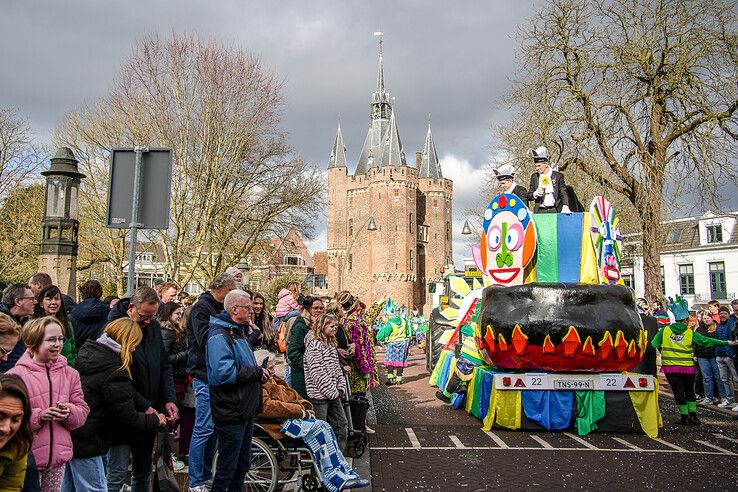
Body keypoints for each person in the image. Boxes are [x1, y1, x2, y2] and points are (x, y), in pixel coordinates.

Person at [62, 318, 165, 492]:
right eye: (133, 344)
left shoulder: (89, 354)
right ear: (125, 342)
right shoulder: (113, 370)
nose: (134, 349)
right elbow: (128, 417)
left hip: (75, 435)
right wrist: (155, 420)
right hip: (90, 440)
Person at [105, 286, 178, 492]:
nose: (147, 322)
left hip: (150, 411)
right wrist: (145, 405)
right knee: (117, 472)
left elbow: (164, 366)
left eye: (152, 317)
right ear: (130, 308)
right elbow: (118, 378)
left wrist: (169, 398)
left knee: (143, 472)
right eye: (143, 316)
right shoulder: (116, 329)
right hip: (124, 411)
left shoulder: (153, 328)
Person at [7, 317, 90, 490]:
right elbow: (8, 420)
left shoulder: (71, 374)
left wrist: (69, 411)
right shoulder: (16, 376)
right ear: (35, 341)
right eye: (51, 340)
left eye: (61, 339)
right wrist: (39, 416)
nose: (58, 344)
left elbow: (82, 412)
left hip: (58, 458)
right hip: (26, 457)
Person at [206, 290, 271, 492]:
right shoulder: (220, 336)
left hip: (244, 408)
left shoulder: (237, 332)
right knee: (228, 468)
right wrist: (256, 372)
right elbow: (223, 373)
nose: (252, 311)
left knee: (241, 465)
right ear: (234, 309)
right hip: (232, 408)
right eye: (248, 308)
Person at [651, 296, 737, 425]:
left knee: (678, 392)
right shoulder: (690, 333)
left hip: (670, 367)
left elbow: (654, 343)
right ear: (685, 321)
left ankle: (684, 416)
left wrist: (664, 351)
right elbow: (707, 341)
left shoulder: (665, 331)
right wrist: (727, 342)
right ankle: (693, 415)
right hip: (687, 367)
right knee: (689, 390)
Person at [186, 273, 236, 492]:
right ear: (221, 288)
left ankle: (205, 475)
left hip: (216, 375)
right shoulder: (201, 309)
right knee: (204, 428)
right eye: (231, 290)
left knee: (214, 428)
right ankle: (196, 480)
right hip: (204, 374)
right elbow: (204, 339)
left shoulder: (218, 309)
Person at [303, 314, 348, 451]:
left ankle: (337, 456)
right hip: (319, 396)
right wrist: (332, 391)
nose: (335, 328)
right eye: (331, 326)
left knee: (341, 424)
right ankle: (320, 462)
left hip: (333, 393)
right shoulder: (315, 346)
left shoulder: (330, 344)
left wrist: (340, 387)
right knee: (320, 430)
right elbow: (317, 372)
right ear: (322, 327)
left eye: (336, 326)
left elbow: (336, 368)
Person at [158, 302, 190, 466]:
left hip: (179, 378)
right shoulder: (167, 332)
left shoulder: (176, 331)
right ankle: (166, 457)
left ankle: (167, 456)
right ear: (169, 314)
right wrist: (186, 354)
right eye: (177, 313)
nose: (180, 316)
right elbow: (165, 359)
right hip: (174, 379)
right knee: (172, 418)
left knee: (176, 419)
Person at [0, 374, 33, 491]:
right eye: (0, 416)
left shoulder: (18, 444)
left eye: (15, 419)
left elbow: (10, 487)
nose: (6, 428)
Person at [287, 297, 324, 400]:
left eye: (321, 308)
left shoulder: (319, 325)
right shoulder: (301, 325)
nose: (319, 311)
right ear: (308, 309)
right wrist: (309, 366)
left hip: (317, 377)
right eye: (315, 308)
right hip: (303, 377)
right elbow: (293, 352)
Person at [34, 285, 77, 367]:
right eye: (49, 299)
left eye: (56, 299)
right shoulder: (34, 326)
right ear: (41, 303)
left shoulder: (67, 325)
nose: (53, 302)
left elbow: (72, 352)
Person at [693, 310, 727, 405]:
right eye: (704, 319)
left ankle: (723, 397)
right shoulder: (699, 329)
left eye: (708, 318)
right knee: (707, 378)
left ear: (712, 318)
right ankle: (709, 396)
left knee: (718, 377)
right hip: (702, 356)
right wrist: (695, 354)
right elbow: (696, 342)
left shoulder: (716, 328)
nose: (706, 320)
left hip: (713, 355)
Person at [0, 284, 36, 372]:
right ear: (18, 301)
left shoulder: (25, 322)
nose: (35, 302)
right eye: (31, 299)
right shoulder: (2, 322)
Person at [526, 146, 571, 214]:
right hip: (540, 210)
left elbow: (563, 192)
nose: (537, 168)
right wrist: (535, 194)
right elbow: (529, 196)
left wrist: (565, 205)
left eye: (539, 166)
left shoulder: (558, 176)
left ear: (546, 164)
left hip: (555, 209)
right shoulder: (534, 177)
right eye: (536, 166)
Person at [69, 280, 109, 350]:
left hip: (79, 354)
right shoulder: (109, 313)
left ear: (83, 293)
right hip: (101, 354)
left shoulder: (72, 314)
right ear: (100, 293)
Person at [713, 306, 738, 411]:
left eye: (724, 313)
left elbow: (730, 339)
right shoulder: (718, 326)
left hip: (730, 355)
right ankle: (729, 400)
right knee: (724, 379)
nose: (722, 315)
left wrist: (731, 353)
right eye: (721, 313)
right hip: (720, 355)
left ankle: (736, 401)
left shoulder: (731, 323)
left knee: (736, 379)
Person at [377, 314, 412, 385]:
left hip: (392, 344)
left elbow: (382, 334)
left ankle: (390, 378)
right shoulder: (404, 321)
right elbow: (409, 332)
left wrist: (379, 337)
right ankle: (399, 379)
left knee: (390, 361)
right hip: (402, 343)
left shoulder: (390, 324)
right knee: (400, 361)